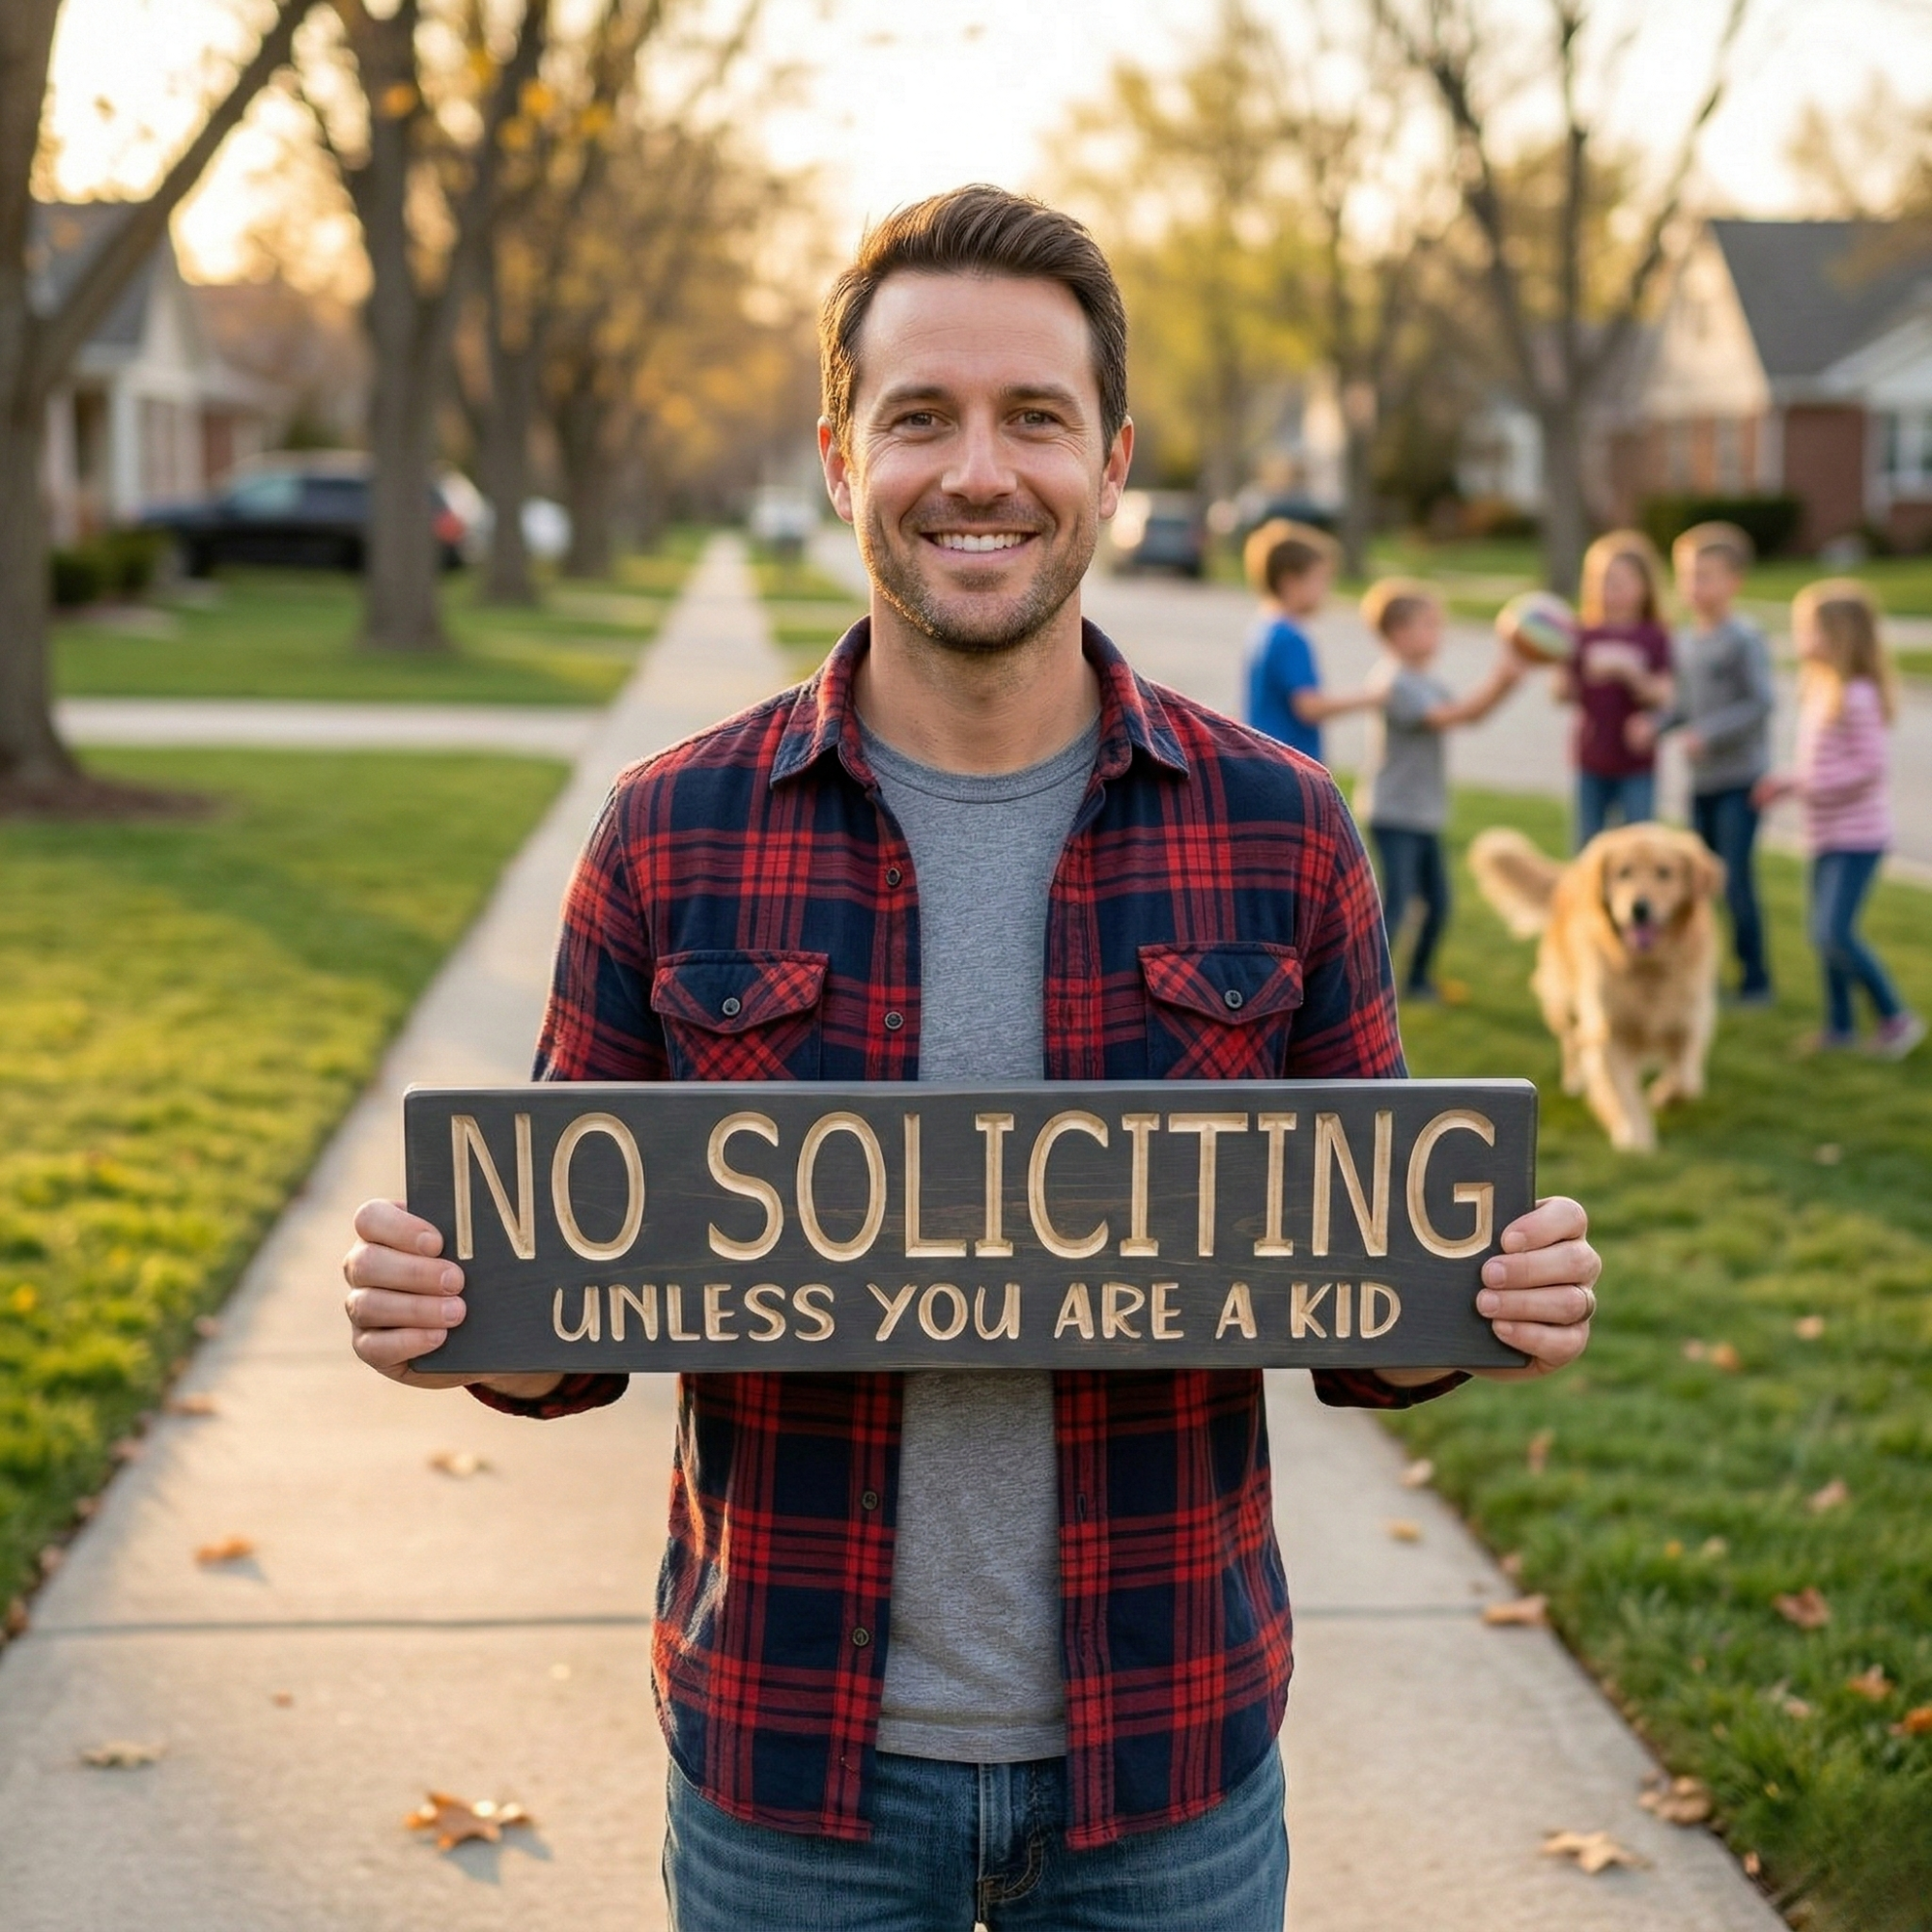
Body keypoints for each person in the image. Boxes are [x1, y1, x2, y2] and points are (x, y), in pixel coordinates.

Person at [341, 185, 1601, 1932]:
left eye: (1036, 418)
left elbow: (1364, 1313)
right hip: (790, 1772)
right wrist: (455, 1317)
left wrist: (1490, 1296)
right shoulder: (672, 832)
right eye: (921, 415)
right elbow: (573, 1311)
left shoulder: (1281, 829)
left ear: (1112, 459)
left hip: (1172, 1766)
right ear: (845, 456)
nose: (980, 470)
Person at [1754, 581, 1924, 1059]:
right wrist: (1791, 781)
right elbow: (1822, 766)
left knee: (1834, 932)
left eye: (1809, 629)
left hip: (1858, 838)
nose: (1801, 638)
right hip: (1826, 835)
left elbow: (1869, 768)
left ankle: (1896, 1017)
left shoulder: (1858, 696)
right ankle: (1840, 1028)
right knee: (1822, 935)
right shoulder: (1823, 687)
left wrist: (1804, 786)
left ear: (1840, 635)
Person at [1355, 579, 1522, 1000]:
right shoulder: (1396, 683)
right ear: (1398, 633)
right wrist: (1499, 680)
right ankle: (1373, 993)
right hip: (1394, 812)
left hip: (1423, 812)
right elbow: (1448, 717)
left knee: (1439, 905)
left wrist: (1504, 686)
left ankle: (1416, 982)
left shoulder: (1425, 680)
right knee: (1398, 904)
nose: (1438, 633)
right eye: (1428, 625)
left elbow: (1469, 715)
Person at [1632, 522, 1776, 1003]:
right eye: (1687, 576)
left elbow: (1761, 702)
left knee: (1733, 881)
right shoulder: (1685, 640)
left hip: (1740, 782)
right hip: (1701, 784)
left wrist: (1706, 734)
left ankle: (1755, 981)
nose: (1694, 587)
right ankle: (1703, 973)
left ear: (1734, 581)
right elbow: (1685, 708)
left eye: (1706, 576)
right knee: (1695, 888)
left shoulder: (1743, 639)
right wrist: (1658, 724)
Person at [1558, 530, 1673, 847]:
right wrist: (1557, 658)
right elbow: (1563, 694)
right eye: (1605, 580)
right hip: (1591, 757)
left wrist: (1629, 673)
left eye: (1623, 581)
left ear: (1645, 586)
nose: (1612, 589)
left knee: (1639, 845)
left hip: (1636, 762)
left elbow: (1665, 695)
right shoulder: (1583, 635)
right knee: (1587, 845)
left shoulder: (1654, 636)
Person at [1242, 519, 1376, 765]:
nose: (1327, 589)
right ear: (1291, 582)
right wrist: (1371, 697)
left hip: (1263, 759)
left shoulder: (1264, 627)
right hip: (1290, 765)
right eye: (1320, 579)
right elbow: (1309, 707)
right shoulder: (1291, 638)